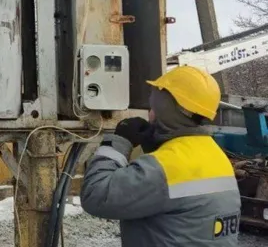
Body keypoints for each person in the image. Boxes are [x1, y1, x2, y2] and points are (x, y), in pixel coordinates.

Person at [80, 65, 241, 246]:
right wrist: (157, 146)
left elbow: (95, 195)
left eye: (154, 107)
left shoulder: (164, 167)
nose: (150, 114)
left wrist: (118, 143)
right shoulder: (216, 155)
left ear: (167, 110)